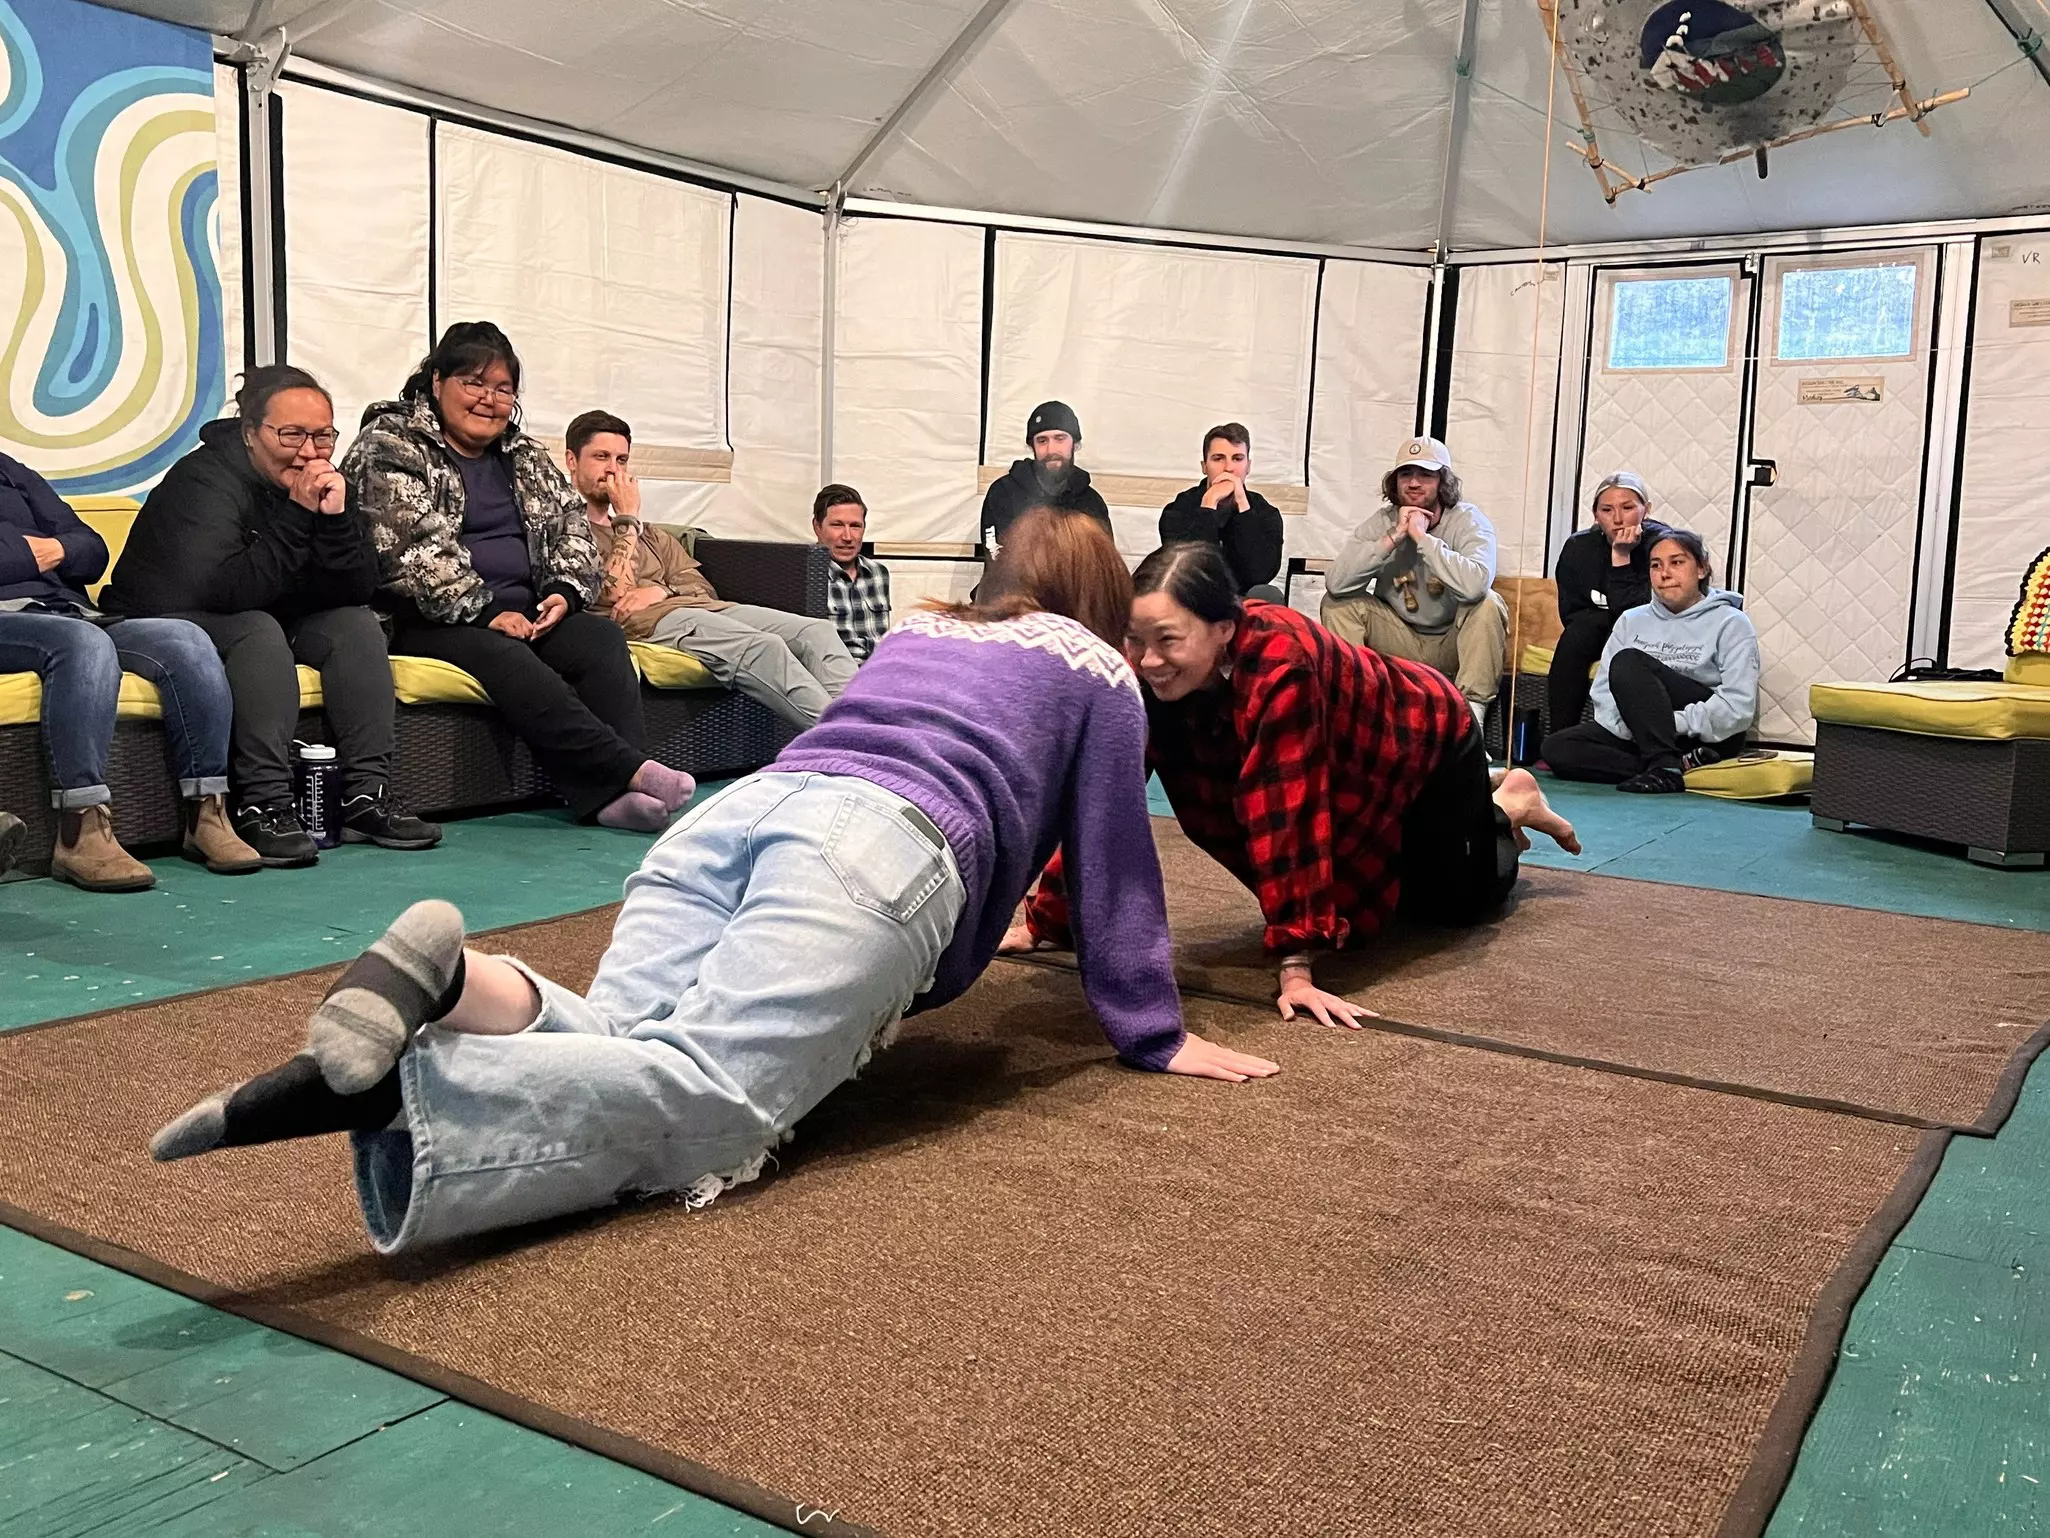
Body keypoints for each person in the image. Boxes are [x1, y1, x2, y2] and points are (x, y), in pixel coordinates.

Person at [150, 511, 1279, 1255]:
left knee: (633, 1033)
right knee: (713, 1103)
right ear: (1099, 598)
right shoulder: (1098, 671)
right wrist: (1151, 1029)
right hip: (876, 847)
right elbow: (1114, 851)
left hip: (736, 811)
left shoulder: (917, 631)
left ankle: (463, 986)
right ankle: (409, 1096)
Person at [1009, 543, 1579, 1021]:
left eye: (1168, 640)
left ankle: (1508, 804)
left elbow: (1287, 808)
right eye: (1135, 639)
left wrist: (1296, 969)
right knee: (1391, 902)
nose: (1148, 660)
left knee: (1455, 905)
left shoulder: (1281, 665)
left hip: (1422, 736)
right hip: (1344, 751)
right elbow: (1106, 801)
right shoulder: (1143, 676)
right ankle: (1493, 802)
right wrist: (1047, 919)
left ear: (1224, 629)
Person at [340, 325, 694, 832]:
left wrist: (563, 593)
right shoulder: (390, 445)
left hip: (526, 610)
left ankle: (605, 798)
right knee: (503, 653)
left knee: (598, 637)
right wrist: (486, 611)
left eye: (503, 389)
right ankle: (629, 770)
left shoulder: (523, 454)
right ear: (437, 381)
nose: (489, 400)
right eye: (474, 383)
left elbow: (573, 525)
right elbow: (408, 550)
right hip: (428, 618)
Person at [106, 366, 439, 865]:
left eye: (323, 435)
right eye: (291, 435)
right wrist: (300, 514)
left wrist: (336, 521)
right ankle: (263, 803)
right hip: (167, 618)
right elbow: (231, 589)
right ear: (250, 433)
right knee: (258, 632)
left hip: (260, 610)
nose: (309, 451)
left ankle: (364, 795)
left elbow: (353, 587)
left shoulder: (322, 481)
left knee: (354, 625)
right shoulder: (203, 481)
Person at [0, 453, 260, 890]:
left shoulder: (9, 470)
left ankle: (207, 812)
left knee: (184, 638)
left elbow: (91, 549)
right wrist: (39, 552)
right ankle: (80, 830)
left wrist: (58, 549)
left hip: (68, 612)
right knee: (84, 644)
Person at [566, 411, 857, 729]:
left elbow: (701, 588)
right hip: (651, 624)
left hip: (700, 608)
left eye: (621, 460)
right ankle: (847, 743)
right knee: (763, 647)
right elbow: (614, 593)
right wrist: (627, 518)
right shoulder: (569, 530)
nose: (613, 470)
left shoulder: (655, 535)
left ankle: (868, 728)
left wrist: (660, 589)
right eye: (601, 457)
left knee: (818, 633)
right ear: (571, 460)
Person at [1540, 528, 1759, 793]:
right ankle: (1675, 767)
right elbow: (1603, 690)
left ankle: (1664, 765)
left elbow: (1738, 706)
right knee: (1556, 748)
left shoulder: (1732, 622)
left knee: (1629, 662)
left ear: (1701, 569)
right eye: (1656, 565)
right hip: (1642, 735)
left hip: (1704, 734)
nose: (1665, 573)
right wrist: (1636, 726)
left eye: (1677, 563)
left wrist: (1664, 724)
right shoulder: (1631, 620)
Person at [1320, 437, 1507, 734]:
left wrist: (1422, 538)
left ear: (1443, 481)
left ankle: (1471, 724)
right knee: (1337, 604)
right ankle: (1355, 713)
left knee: (1488, 603)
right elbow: (1336, 583)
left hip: (1450, 642)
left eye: (1426, 475)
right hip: (1399, 638)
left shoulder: (1468, 520)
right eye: (1406, 474)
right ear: (1394, 482)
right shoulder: (1382, 521)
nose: (1415, 483)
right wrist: (1394, 536)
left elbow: (1476, 585)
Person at [1548, 471, 1670, 735]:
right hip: (1600, 627)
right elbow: (1571, 610)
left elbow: (1639, 611)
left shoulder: (1662, 544)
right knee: (1576, 636)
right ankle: (1560, 735)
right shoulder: (1579, 547)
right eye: (1607, 510)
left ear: (1645, 510)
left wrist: (1621, 556)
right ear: (1595, 515)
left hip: (1653, 629)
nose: (1617, 519)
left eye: (1627, 508)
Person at [1158, 423, 1283, 599]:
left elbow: (1259, 575)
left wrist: (1242, 505)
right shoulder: (1179, 509)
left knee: (1268, 595)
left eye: (1238, 459)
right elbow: (1191, 568)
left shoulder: (1265, 513)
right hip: (1194, 596)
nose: (1228, 468)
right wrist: (1208, 504)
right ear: (1204, 466)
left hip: (1244, 599)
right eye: (1218, 459)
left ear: (1248, 466)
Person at [977, 400, 1112, 557]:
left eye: (1060, 438)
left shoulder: (1092, 502)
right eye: (1042, 441)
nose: (1051, 450)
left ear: (1074, 443)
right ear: (1032, 446)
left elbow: (1104, 564)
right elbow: (994, 557)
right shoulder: (1003, 493)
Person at [813, 483, 891, 662]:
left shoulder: (878, 573)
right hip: (832, 677)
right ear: (817, 527)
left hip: (878, 671)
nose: (847, 537)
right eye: (837, 525)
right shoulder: (804, 576)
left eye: (855, 526)